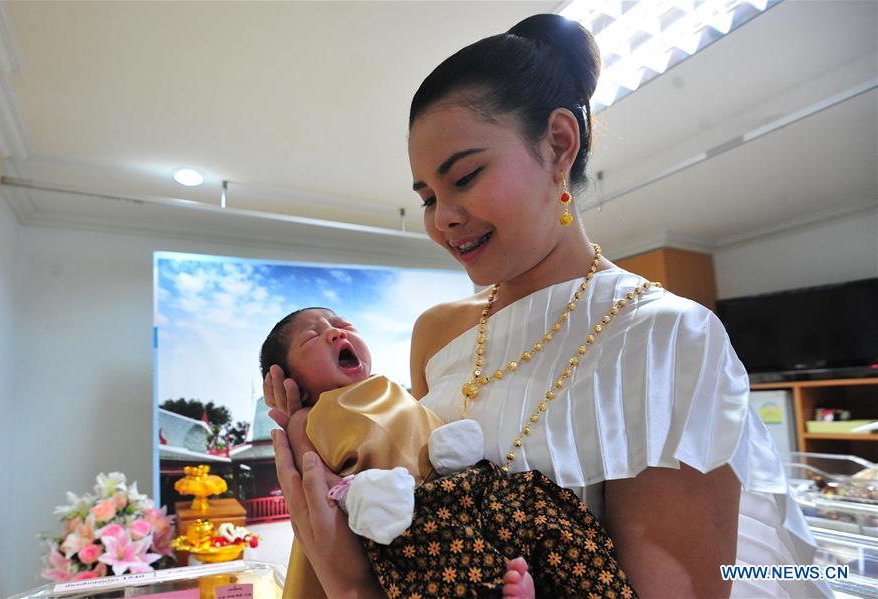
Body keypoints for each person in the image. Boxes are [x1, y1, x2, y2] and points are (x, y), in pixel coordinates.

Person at [267, 13, 829, 598]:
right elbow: (404, 485)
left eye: (465, 176)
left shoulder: (665, 338)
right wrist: (313, 427)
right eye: (428, 197)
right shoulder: (435, 332)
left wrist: (351, 585)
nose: (443, 218)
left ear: (559, 143)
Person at [260, 307, 635, 598]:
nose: (335, 331)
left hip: (469, 482)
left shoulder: (388, 387)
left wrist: (448, 446)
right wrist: (353, 491)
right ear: (294, 383)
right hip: (407, 513)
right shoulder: (306, 418)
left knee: (541, 514)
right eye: (312, 338)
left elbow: (418, 423)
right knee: (443, 569)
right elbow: (316, 479)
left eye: (341, 323)